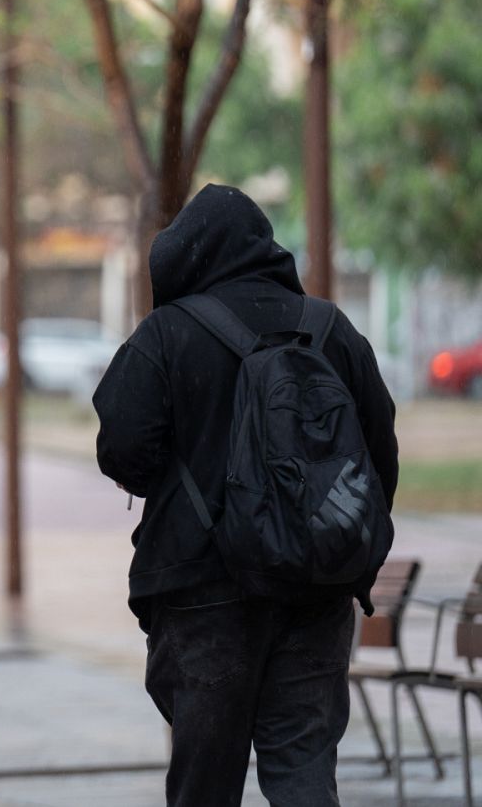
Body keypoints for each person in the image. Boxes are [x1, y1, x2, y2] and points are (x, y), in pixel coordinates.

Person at [93, 184, 399, 806]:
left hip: (203, 596)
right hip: (315, 591)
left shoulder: (167, 333)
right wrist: (325, 537)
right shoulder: (330, 329)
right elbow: (379, 455)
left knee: (206, 781)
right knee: (304, 771)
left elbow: (121, 447)